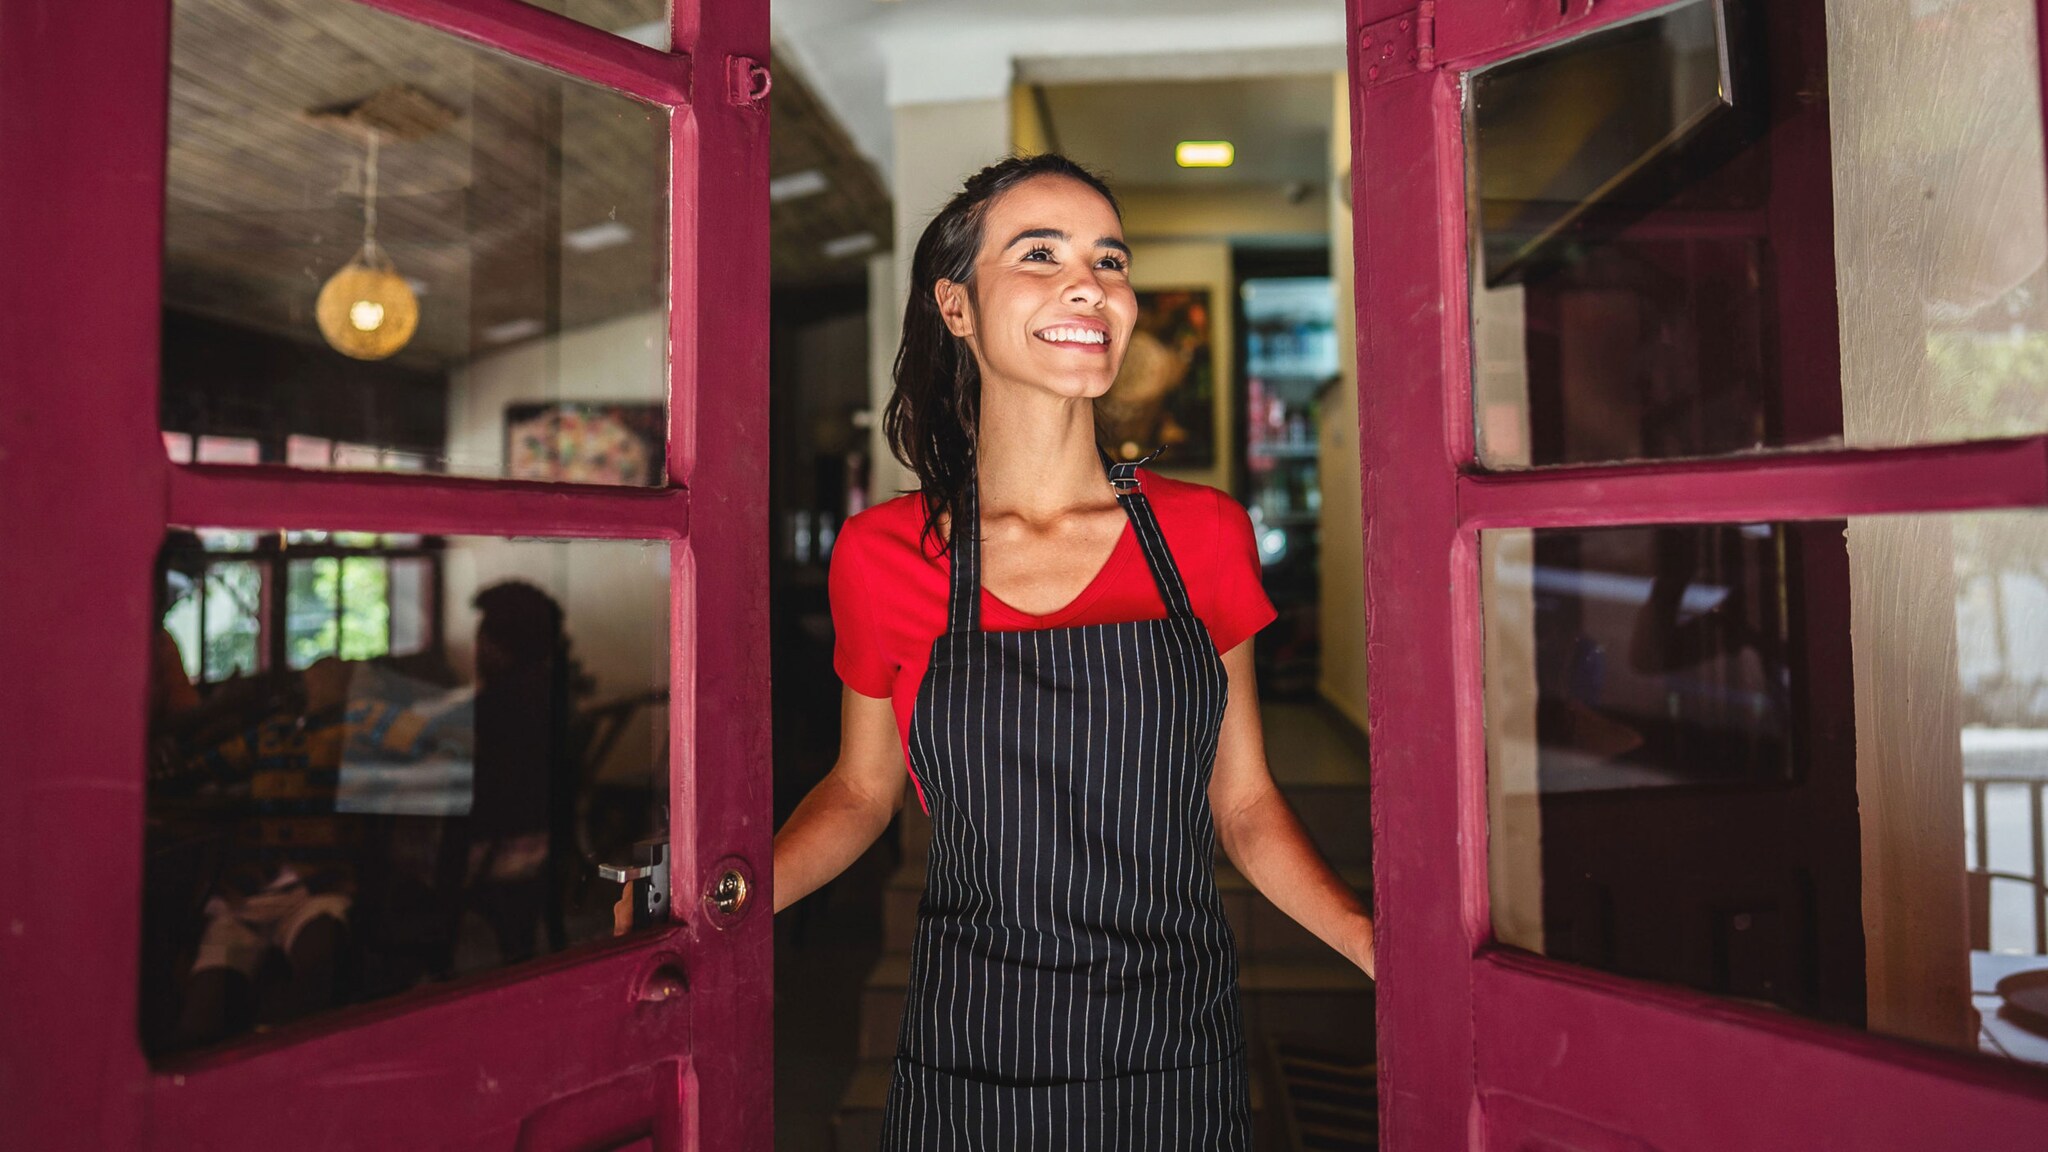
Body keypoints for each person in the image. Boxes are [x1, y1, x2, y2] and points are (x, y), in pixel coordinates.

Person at [772, 154, 1374, 1150]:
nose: (1088, 283)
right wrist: (719, 908)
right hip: (974, 1040)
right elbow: (859, 793)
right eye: (1038, 253)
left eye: (1108, 258)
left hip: (1172, 1043)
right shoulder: (884, 553)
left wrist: (1368, 941)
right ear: (955, 307)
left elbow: (1244, 804)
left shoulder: (1204, 535)